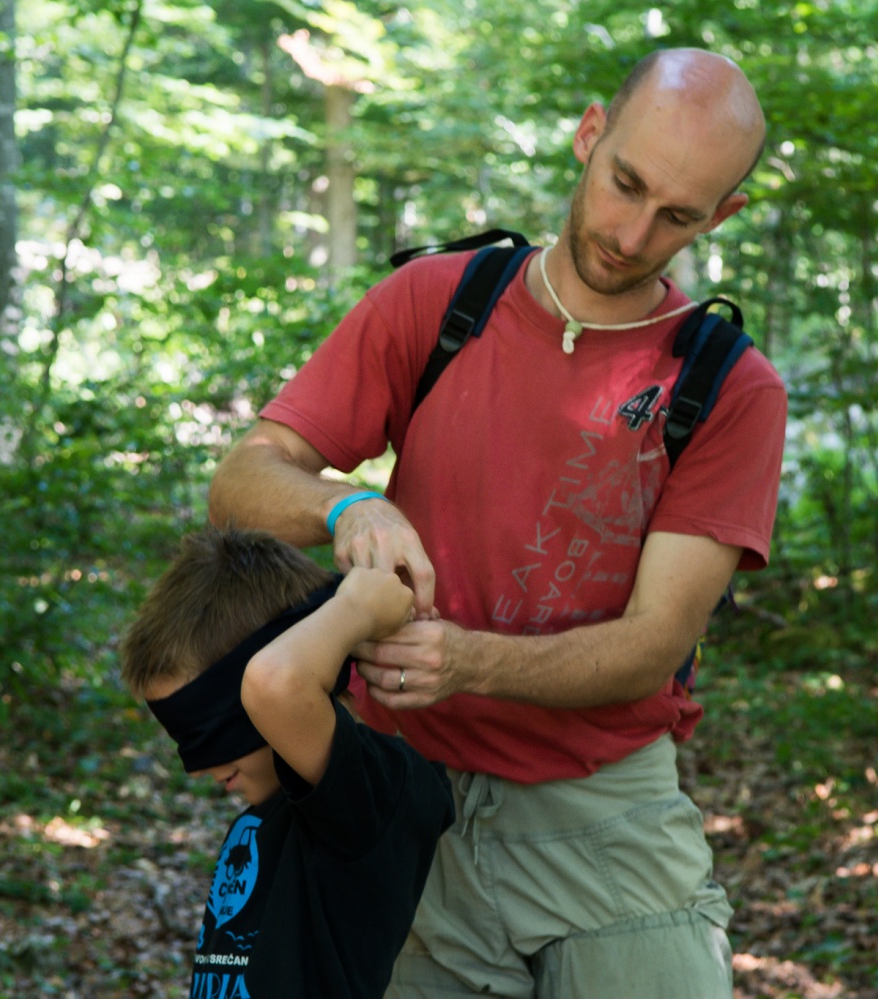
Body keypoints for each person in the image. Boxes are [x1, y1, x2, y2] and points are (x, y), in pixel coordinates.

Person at [207, 47, 786, 999]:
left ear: (720, 216)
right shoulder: (441, 304)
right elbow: (244, 479)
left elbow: (654, 644)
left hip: (604, 813)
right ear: (589, 133)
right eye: (625, 182)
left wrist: (468, 662)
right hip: (402, 798)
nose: (631, 232)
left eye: (677, 215)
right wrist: (349, 501)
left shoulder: (727, 386)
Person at [119, 527, 455, 998]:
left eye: (208, 736)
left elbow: (276, 681)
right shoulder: (274, 810)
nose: (194, 768)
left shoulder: (367, 802)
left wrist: (355, 605)